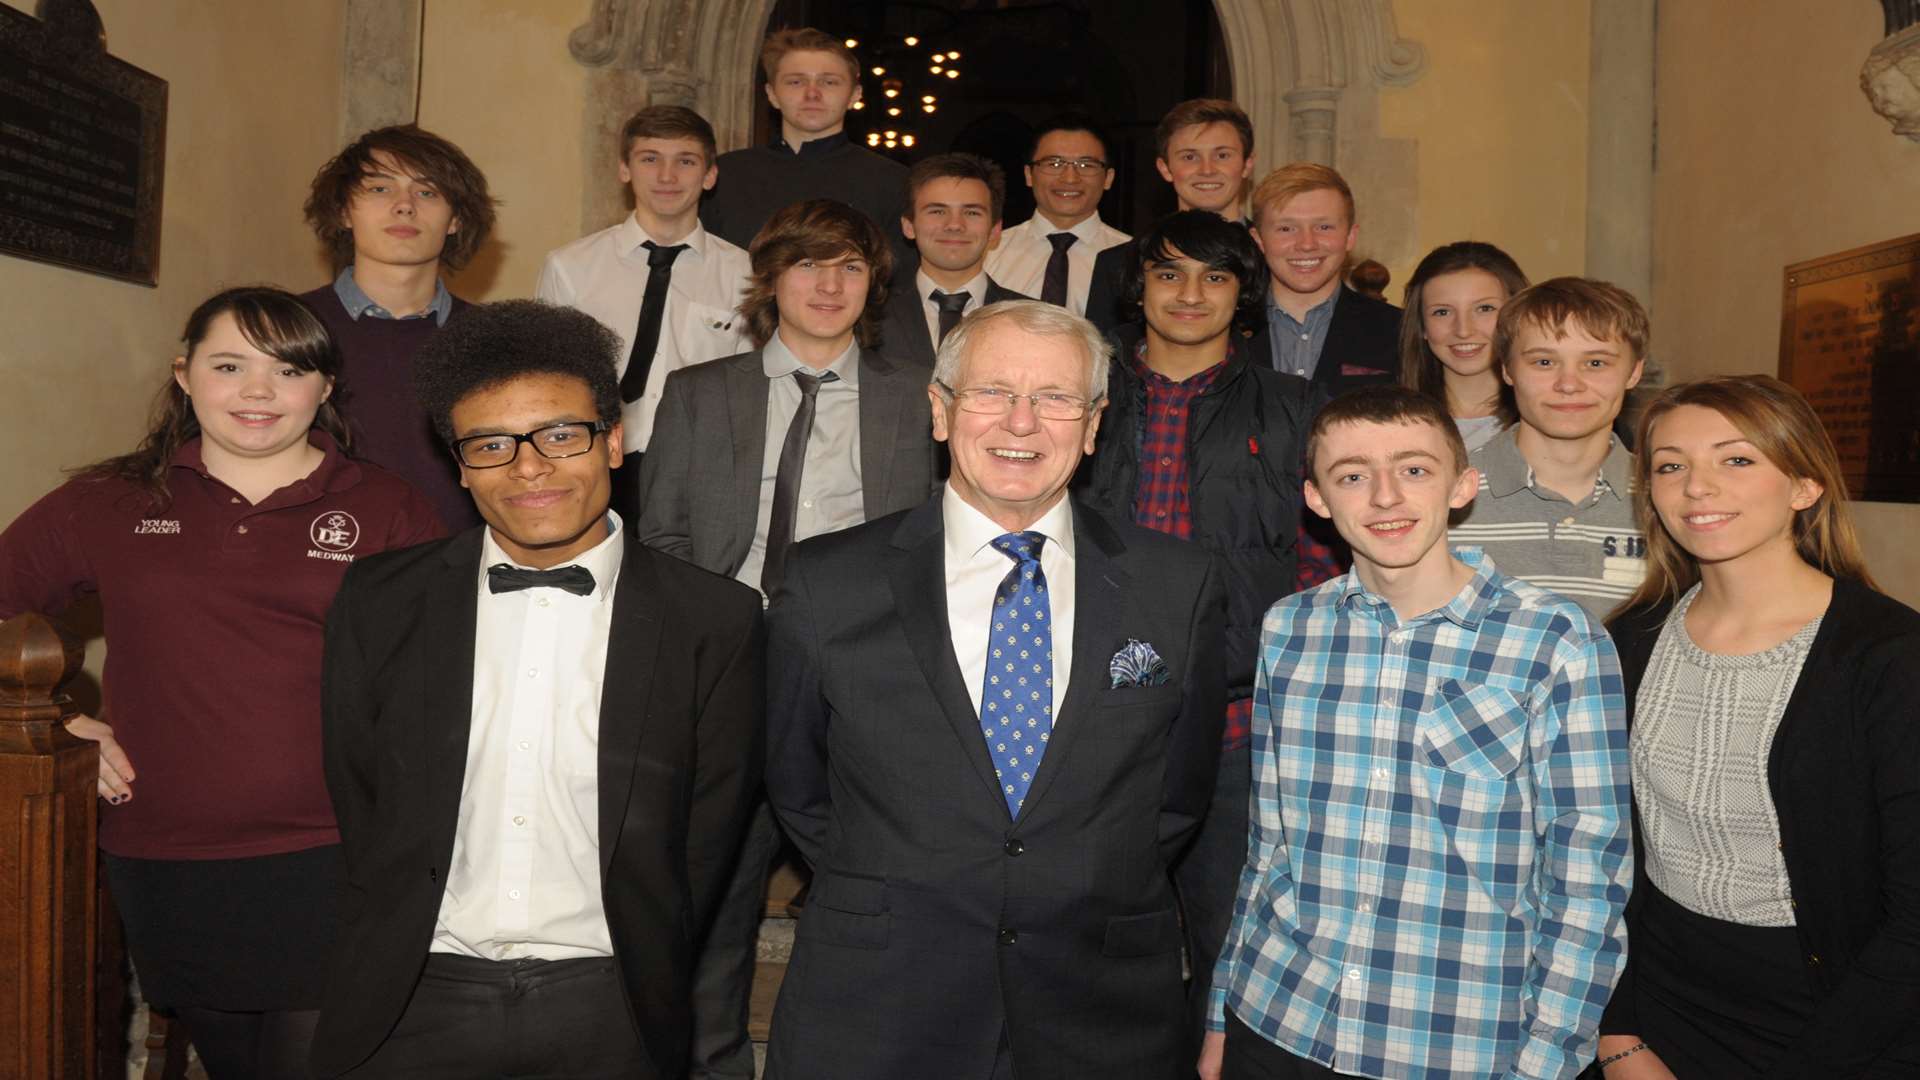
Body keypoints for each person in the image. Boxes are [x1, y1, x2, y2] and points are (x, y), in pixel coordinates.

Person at [763, 299, 1228, 1080]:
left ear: (1092, 425)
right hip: (880, 1002)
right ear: (940, 411)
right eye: (992, 393)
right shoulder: (825, 582)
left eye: (1054, 398)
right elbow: (796, 784)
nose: (1021, 423)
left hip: (1100, 1011)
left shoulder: (1176, 585)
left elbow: (1179, 795)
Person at [310, 300, 764, 1079]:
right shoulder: (380, 600)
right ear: (459, 463)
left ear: (614, 440)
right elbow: (362, 800)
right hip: (410, 1000)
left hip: (613, 1006)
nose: (529, 467)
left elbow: (707, 839)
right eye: (492, 444)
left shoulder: (715, 619)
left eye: (560, 434)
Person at [0, 286, 443, 1079]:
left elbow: (447, 679)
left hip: (338, 853)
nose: (258, 392)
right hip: (166, 853)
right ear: (184, 374)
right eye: (230, 365)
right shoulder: (112, 500)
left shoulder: (387, 509)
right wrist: (56, 721)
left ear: (326, 387)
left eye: (287, 370)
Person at [1204, 385, 1631, 1080]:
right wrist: (1222, 1009)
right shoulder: (1291, 626)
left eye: (1414, 469)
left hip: (1454, 1042)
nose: (1384, 497)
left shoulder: (1555, 639)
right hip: (1281, 1017)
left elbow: (1588, 879)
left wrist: (1547, 1060)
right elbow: (1268, 842)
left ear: (1463, 486)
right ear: (1316, 499)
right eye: (1352, 476)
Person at [637, 197, 939, 1080]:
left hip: (860, 676)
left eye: (849, 266)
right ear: (771, 279)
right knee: (717, 894)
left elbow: (926, 542)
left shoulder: (909, 401)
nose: (828, 284)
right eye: (808, 264)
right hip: (728, 667)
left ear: (873, 286)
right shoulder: (700, 394)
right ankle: (713, 1061)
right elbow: (663, 543)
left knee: (864, 887)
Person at [1596, 375, 1920, 1078]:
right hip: (1659, 1008)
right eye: (1670, 464)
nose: (1696, 487)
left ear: (1804, 487)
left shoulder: (1888, 657)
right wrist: (1618, 1034)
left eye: (1736, 459)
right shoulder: (1630, 640)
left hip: (1840, 1022)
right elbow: (1601, 858)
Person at [1075, 210, 1312, 1055]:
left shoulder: (1293, 408)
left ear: (1243, 294)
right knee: (1095, 946)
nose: (1190, 294)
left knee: (1232, 943)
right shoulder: (1085, 397)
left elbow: (1323, 555)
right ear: (1137, 286)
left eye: (1214, 276)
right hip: (1100, 713)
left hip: (1240, 725)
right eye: (1169, 273)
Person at [536, 105, 752, 524]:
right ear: (624, 169)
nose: (667, 177)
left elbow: (749, 389)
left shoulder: (746, 273)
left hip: (703, 470)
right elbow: (549, 381)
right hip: (594, 462)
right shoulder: (570, 266)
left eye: (685, 161)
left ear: (709, 175)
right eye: (650, 159)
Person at [301, 124, 497, 531]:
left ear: (456, 219)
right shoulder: (286, 327)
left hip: (457, 567)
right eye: (380, 189)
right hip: (314, 564)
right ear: (343, 211)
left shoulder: (494, 340)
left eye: (427, 192)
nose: (405, 206)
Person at [1449, 277, 1650, 620]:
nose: (1569, 384)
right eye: (1544, 362)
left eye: (1596, 363)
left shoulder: (1664, 496)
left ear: (1634, 372)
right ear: (1507, 369)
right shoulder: (1446, 493)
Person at [700, 27, 909, 269]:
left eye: (829, 82)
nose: (812, 93)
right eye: (796, 81)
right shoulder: (725, 175)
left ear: (855, 94)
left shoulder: (893, 182)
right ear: (771, 94)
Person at [1085, 98, 1257, 334]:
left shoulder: (1276, 258)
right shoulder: (1116, 263)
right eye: (1189, 157)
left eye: (1222, 156)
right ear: (1165, 168)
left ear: (1247, 165)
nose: (1207, 170)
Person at [1245, 163, 1398, 399]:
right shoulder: (1223, 330)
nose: (1307, 243)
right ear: (1258, 240)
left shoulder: (1399, 330)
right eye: (1286, 228)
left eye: (1324, 227)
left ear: (1350, 236)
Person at [881, 152, 1030, 368]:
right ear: (908, 226)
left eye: (971, 213)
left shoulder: (1032, 320)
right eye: (937, 211)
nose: (954, 225)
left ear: (995, 230)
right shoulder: (868, 315)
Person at [984, 114, 1130, 314]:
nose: (1070, 178)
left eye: (1086, 165)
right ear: (1029, 174)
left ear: (1108, 178)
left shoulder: (1132, 257)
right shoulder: (989, 253)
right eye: (1054, 164)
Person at [1396, 240, 1530, 454]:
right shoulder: (1390, 421)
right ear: (1421, 326)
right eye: (1442, 312)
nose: (1463, 330)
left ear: (1516, 315)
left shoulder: (1547, 417)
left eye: (1484, 308)